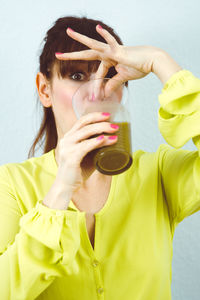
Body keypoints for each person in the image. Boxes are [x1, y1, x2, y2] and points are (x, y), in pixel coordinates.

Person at [0, 15, 200, 300]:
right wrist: (58, 194)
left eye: (109, 78)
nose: (96, 92)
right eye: (77, 76)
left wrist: (160, 61)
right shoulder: (11, 184)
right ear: (45, 89)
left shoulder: (158, 173)